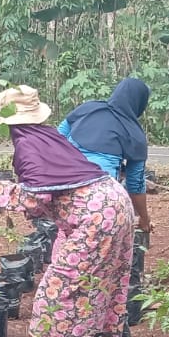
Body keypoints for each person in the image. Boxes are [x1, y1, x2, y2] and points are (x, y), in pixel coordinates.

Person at [0, 85, 135, 337]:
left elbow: (36, 198)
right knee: (101, 282)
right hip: (115, 200)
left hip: (95, 216)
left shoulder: (27, 145)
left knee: (62, 286)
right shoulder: (49, 136)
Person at [58, 77, 154, 232]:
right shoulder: (135, 134)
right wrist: (144, 219)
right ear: (140, 103)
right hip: (100, 197)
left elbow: (58, 137)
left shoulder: (88, 108)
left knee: (66, 238)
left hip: (62, 185)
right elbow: (135, 184)